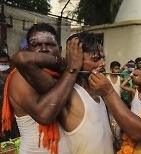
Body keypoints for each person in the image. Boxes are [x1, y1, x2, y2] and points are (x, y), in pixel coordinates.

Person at [11, 32, 114, 154]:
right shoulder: (65, 89)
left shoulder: (98, 88)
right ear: (77, 60)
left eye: (103, 58)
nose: (103, 63)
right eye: (96, 59)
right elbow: (22, 58)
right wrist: (70, 64)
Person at [2, 23, 83, 154]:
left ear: (60, 49)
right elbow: (44, 115)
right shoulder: (20, 77)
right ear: (28, 50)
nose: (44, 49)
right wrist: (71, 68)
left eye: (50, 45)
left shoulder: (64, 76)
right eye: (36, 45)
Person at [0, 52, 19, 142]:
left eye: (5, 63)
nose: (4, 65)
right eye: (1, 63)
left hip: (12, 118)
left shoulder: (12, 76)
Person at [107, 61, 123, 151]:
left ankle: (117, 142)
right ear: (111, 69)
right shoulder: (107, 78)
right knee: (111, 124)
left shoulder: (120, 79)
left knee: (118, 125)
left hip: (119, 105)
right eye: (115, 69)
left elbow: (122, 89)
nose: (117, 71)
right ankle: (114, 142)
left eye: (118, 69)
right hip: (110, 106)